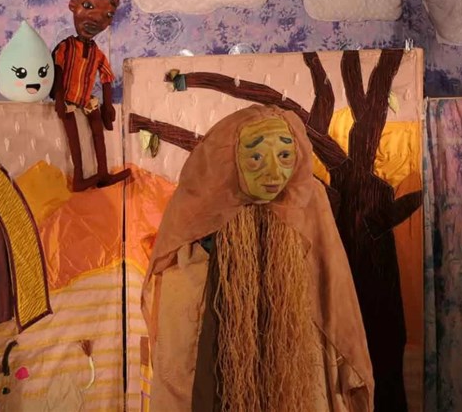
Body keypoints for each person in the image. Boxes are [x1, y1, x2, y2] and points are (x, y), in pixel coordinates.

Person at [142, 104, 374, 411]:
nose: (275, 173)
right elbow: (175, 282)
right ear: (229, 157)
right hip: (220, 348)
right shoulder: (198, 202)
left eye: (285, 156)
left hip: (297, 353)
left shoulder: (308, 199)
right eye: (256, 158)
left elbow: (332, 282)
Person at [51, 0, 131, 191]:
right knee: (74, 137)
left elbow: (106, 77)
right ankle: (79, 177)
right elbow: (57, 71)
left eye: (108, 14)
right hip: (68, 98)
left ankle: (103, 173)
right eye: (88, 5)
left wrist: (107, 106)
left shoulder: (97, 53)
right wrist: (58, 98)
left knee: (98, 131)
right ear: (73, 4)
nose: (96, 18)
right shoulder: (66, 47)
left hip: (86, 99)